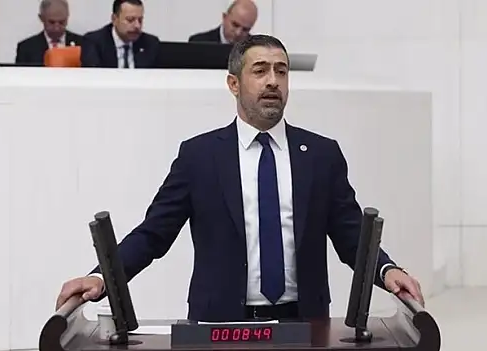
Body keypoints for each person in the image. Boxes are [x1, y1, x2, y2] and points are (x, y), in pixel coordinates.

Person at [56, 34, 424, 321]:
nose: (273, 81)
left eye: (281, 71)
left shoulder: (321, 155)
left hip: (304, 324)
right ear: (233, 84)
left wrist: (386, 270)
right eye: (260, 71)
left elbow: (350, 234)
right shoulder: (200, 157)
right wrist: (101, 277)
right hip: (220, 323)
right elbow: (153, 234)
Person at [80, 0, 160, 68]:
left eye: (140, 20)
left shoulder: (150, 44)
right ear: (114, 19)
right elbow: (93, 78)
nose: (137, 26)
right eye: (130, 20)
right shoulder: (93, 42)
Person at [15, 0, 83, 65]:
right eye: (51, 22)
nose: (57, 28)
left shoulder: (83, 44)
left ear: (67, 17)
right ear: (41, 18)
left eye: (62, 22)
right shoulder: (26, 48)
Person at [188, 0, 258, 44]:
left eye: (245, 29)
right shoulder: (198, 42)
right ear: (224, 17)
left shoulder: (255, 49)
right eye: (235, 25)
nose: (238, 33)